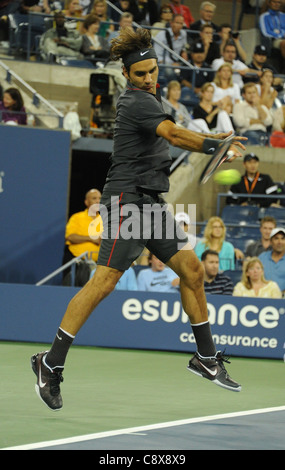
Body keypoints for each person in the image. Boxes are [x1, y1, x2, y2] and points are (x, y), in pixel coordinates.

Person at [31, 27, 245, 411]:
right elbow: (175, 135)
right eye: (141, 74)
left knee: (193, 271)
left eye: (152, 71)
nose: (149, 78)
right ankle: (50, 362)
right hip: (127, 203)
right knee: (104, 283)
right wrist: (217, 144)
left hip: (150, 204)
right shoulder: (137, 102)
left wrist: (216, 145)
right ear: (128, 75)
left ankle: (206, 358)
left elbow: (174, 135)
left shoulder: (152, 96)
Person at [62, 188, 103, 284]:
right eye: (94, 198)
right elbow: (70, 237)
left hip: (97, 265)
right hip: (76, 263)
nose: (98, 201)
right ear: (86, 202)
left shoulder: (105, 220)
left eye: (100, 198)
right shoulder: (77, 218)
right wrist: (91, 238)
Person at [153, 13, 187, 82]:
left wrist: (184, 52)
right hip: (164, 64)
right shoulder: (161, 35)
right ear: (171, 23)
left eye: (181, 23)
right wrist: (171, 64)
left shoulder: (183, 34)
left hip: (178, 63)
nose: (179, 26)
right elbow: (157, 56)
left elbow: (183, 47)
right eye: (177, 23)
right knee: (169, 71)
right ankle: (175, 86)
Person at [259, 0, 285, 70]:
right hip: (273, 40)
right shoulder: (264, 16)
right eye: (274, 2)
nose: (276, 4)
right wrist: (279, 35)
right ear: (269, 3)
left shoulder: (283, 16)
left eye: (279, 2)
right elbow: (265, 32)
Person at [259, 227, 285, 293]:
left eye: (283, 238)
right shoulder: (262, 257)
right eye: (276, 238)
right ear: (270, 242)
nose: (280, 242)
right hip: (264, 296)